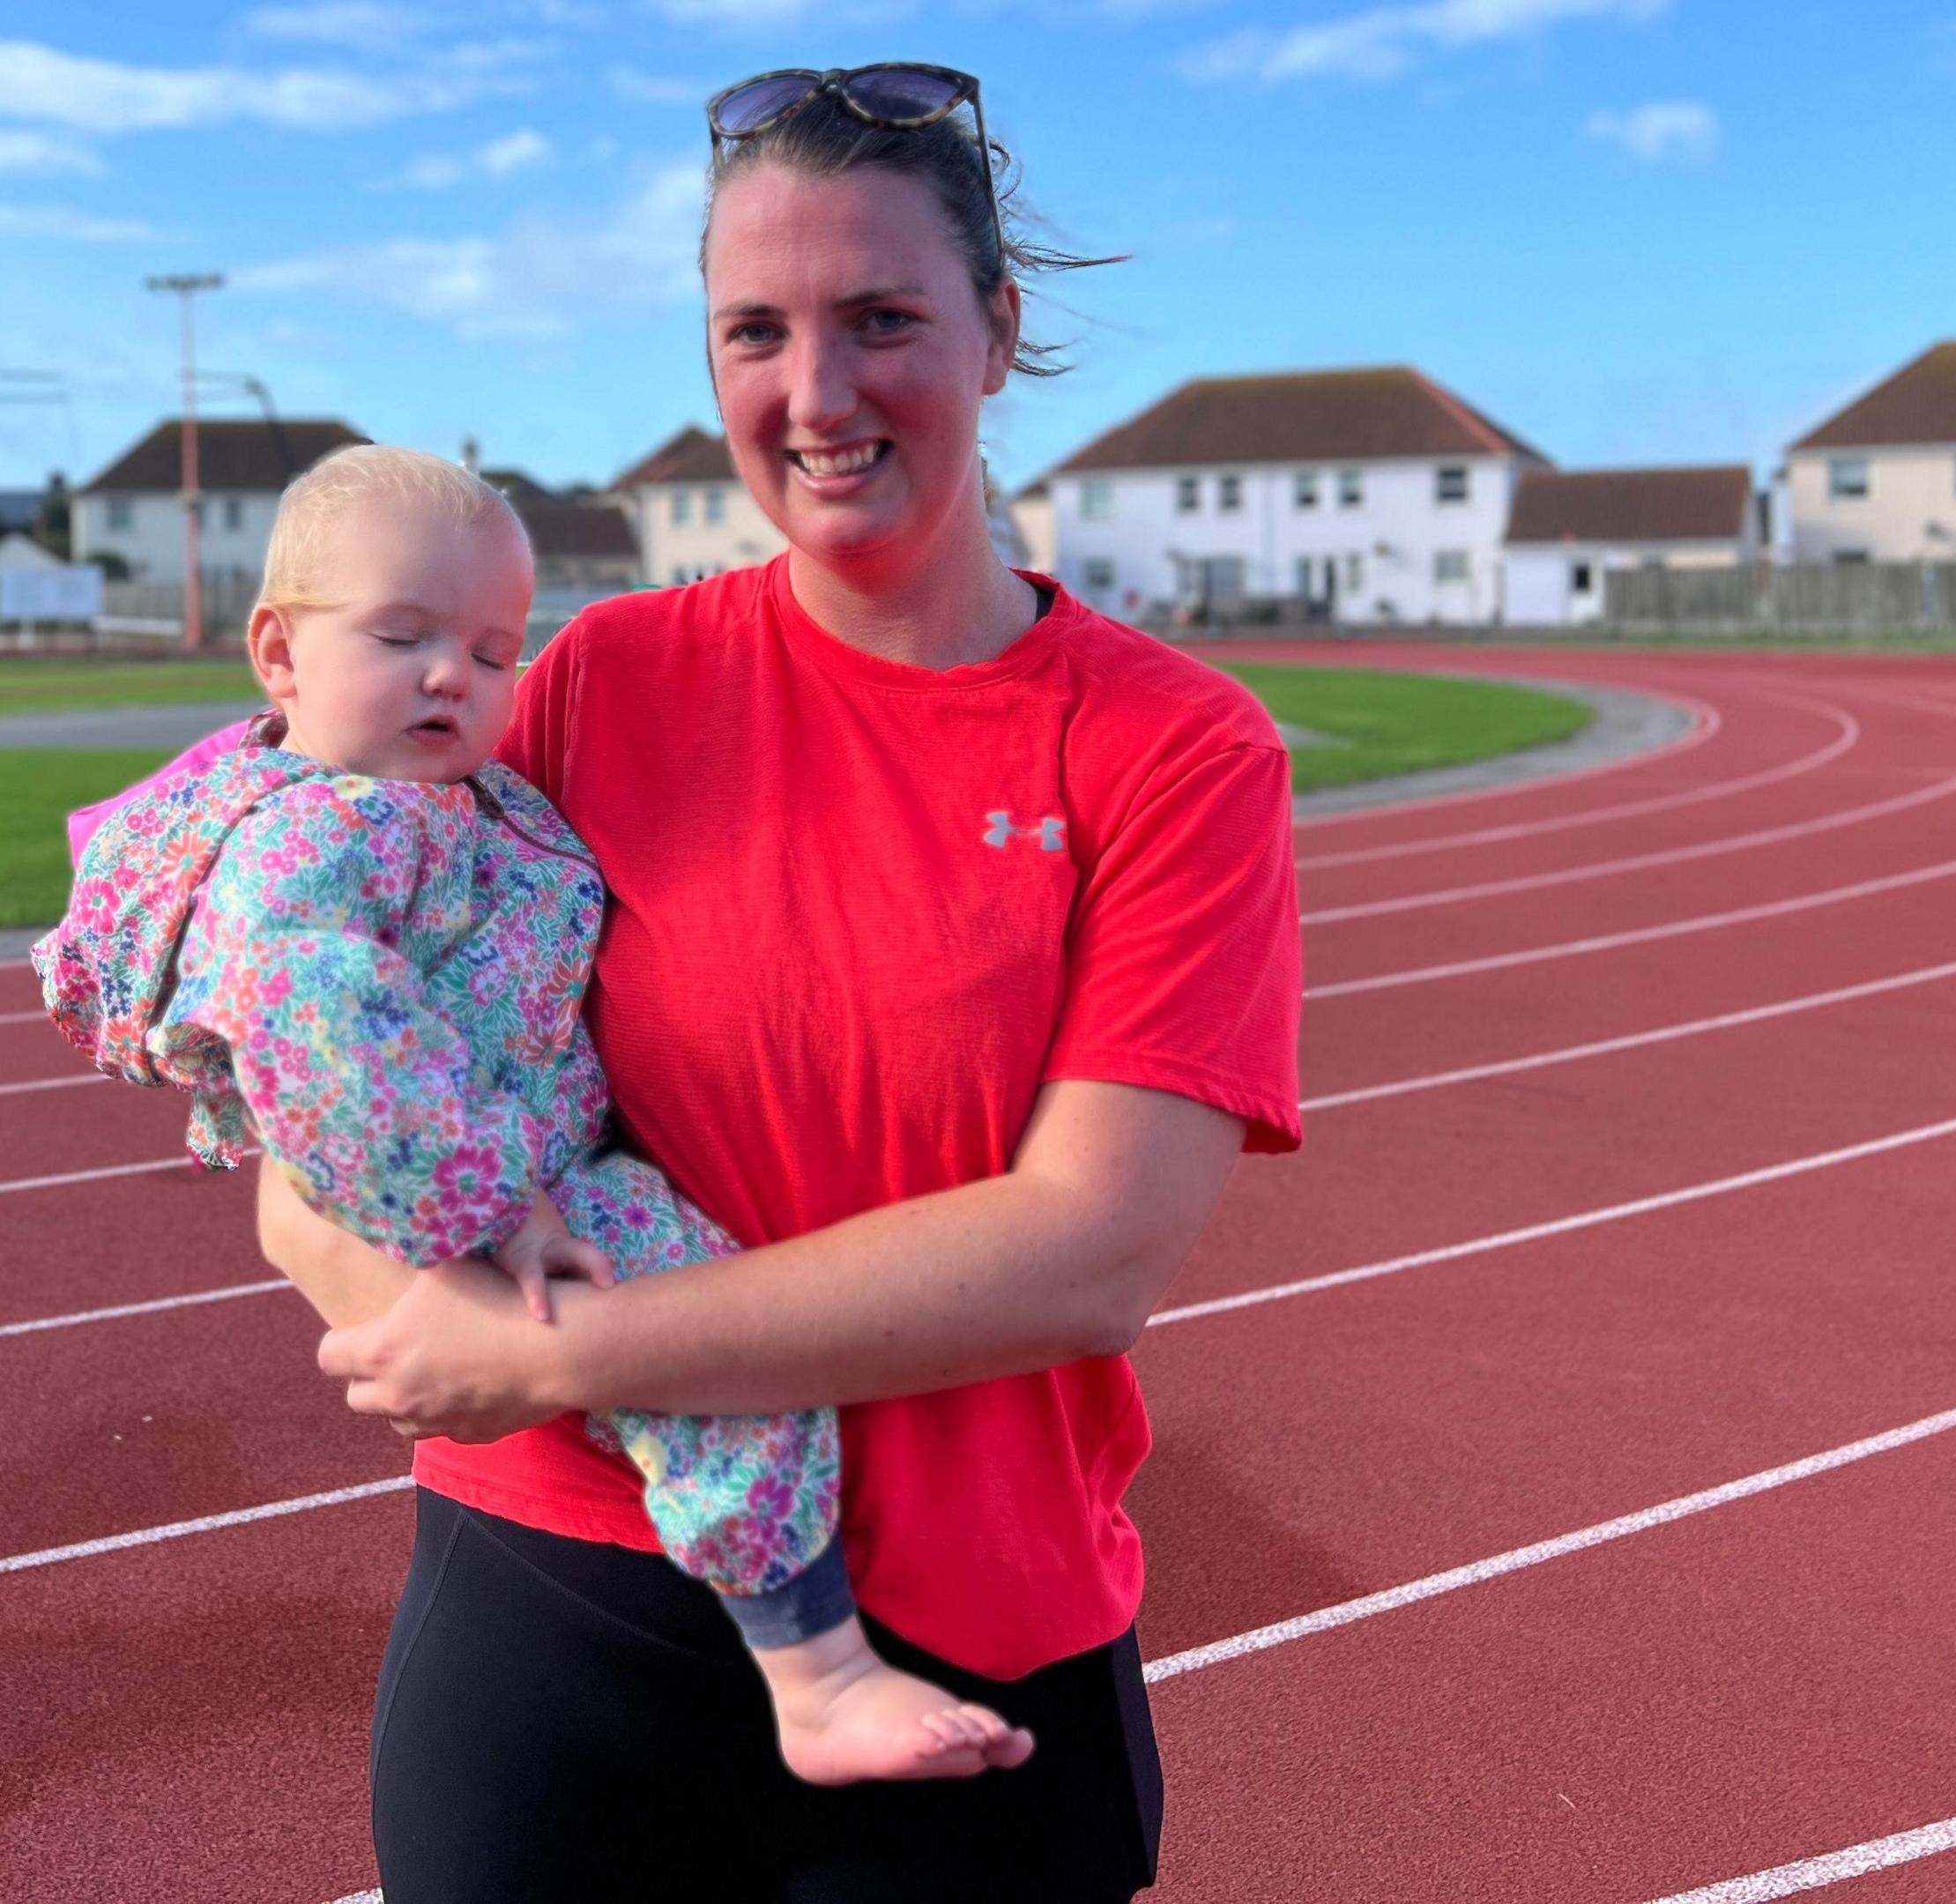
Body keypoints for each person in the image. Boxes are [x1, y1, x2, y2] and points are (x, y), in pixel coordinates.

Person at [259, 64, 1305, 1900]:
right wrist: (391, 1302)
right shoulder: (582, 687)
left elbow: (1094, 1250)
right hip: (563, 1597)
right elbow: (315, 1104)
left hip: (966, 1639)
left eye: (881, 319)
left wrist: (548, 1348)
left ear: (995, 328)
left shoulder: (1170, 751)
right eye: (757, 331)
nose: (815, 397)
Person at [33, 443, 1038, 1784]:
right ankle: (819, 1671)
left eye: (496, 651)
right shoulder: (316, 837)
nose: (457, 674)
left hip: (510, 1168)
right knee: (717, 1352)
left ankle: (812, 1667)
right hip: (464, 1184)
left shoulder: (441, 800)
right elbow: (322, 1028)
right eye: (404, 636)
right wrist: (493, 1211)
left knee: (716, 1343)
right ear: (278, 652)